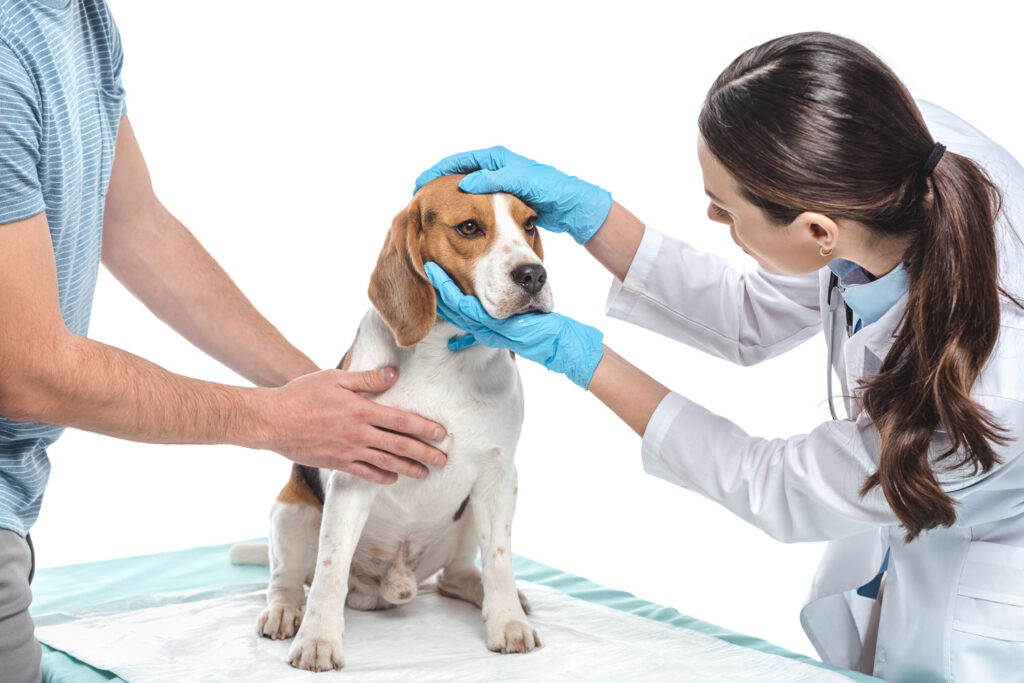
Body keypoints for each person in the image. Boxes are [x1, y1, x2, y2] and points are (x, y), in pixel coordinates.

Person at [417, 32, 1024, 683]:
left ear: (822, 231)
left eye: (726, 210)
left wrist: (581, 357)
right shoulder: (887, 153)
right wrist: (594, 216)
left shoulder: (991, 393)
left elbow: (768, 481)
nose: (711, 213)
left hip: (980, 620)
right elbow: (749, 314)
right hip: (908, 539)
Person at [0, 2, 447, 680]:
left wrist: (330, 397)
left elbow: (138, 229)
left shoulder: (82, 18)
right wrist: (278, 421)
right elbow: (29, 369)